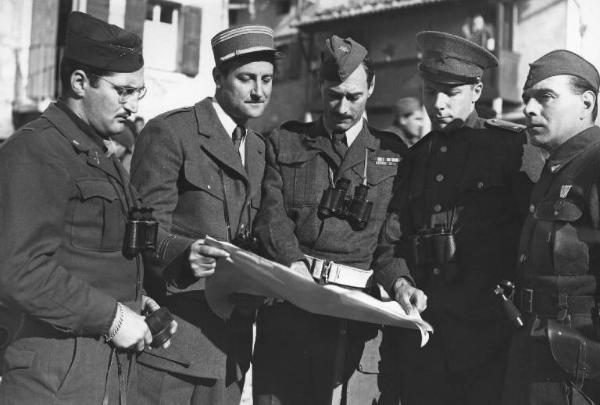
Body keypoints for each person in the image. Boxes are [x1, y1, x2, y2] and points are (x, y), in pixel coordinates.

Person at [0, 11, 174, 404]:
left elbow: (90, 253)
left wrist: (136, 302)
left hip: (101, 367)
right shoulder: (35, 150)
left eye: (138, 92)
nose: (132, 105)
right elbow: (19, 270)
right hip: (52, 372)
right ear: (80, 82)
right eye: (123, 91)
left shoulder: (99, 153)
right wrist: (112, 318)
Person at [251, 34, 427, 405]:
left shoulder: (391, 153)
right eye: (333, 94)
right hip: (289, 309)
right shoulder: (286, 141)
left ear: (372, 88)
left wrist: (401, 285)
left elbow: (388, 244)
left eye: (354, 96)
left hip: (353, 319)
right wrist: (292, 265)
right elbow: (270, 216)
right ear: (319, 86)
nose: (343, 107)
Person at [373, 31, 544, 405]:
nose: (438, 104)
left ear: (477, 91)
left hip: (490, 341)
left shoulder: (512, 149)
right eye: (430, 90)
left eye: (450, 92)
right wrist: (400, 283)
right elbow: (389, 245)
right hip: (426, 342)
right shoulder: (415, 159)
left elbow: (538, 237)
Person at [129, 24, 277, 405]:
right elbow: (141, 232)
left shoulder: (259, 148)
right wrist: (184, 252)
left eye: (267, 79)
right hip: (173, 348)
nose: (258, 91)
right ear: (218, 77)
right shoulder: (172, 132)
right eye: (246, 78)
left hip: (229, 351)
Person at [502, 50, 600, 405]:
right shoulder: (552, 170)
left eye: (545, 97)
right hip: (536, 348)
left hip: (580, 362)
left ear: (586, 102)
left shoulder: (595, 163)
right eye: (528, 99)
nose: (529, 108)